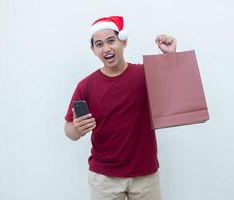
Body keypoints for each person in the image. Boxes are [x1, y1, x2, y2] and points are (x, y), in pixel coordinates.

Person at [64, 16, 176, 200]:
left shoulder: (145, 74)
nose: (106, 48)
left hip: (145, 175)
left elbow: (175, 90)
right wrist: (76, 130)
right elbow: (69, 129)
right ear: (93, 50)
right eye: (99, 44)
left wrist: (170, 56)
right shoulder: (86, 86)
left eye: (111, 41)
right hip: (104, 178)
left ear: (123, 41)